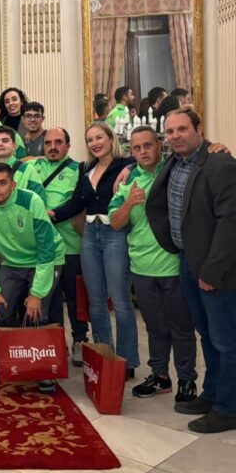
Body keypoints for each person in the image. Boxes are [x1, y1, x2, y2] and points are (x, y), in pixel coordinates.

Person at [147, 109, 236, 433]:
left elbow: (231, 223)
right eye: (170, 132)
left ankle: (229, 408)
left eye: (182, 129)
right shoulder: (175, 163)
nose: (175, 136)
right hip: (187, 260)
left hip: (218, 270)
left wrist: (211, 271)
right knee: (208, 336)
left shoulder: (220, 164)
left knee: (227, 341)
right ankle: (212, 394)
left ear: (199, 129)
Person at [109, 126, 197, 404]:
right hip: (142, 267)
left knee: (182, 327)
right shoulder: (127, 182)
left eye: (148, 146)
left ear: (159, 146)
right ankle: (160, 376)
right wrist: (130, 202)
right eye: (136, 148)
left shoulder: (175, 171)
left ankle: (187, 380)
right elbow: (115, 222)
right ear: (130, 151)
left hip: (173, 266)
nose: (143, 152)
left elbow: (197, 153)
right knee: (155, 327)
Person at [50, 122, 139, 376]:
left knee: (120, 300)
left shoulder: (125, 165)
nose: (95, 143)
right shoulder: (86, 169)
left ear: (111, 138)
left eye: (99, 137)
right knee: (96, 301)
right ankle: (104, 356)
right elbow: (76, 202)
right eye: (90, 140)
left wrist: (131, 166)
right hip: (89, 236)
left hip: (114, 234)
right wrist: (52, 214)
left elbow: (146, 163)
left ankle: (127, 361)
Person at [0, 163, 63, 393]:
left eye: (2, 183)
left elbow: (46, 250)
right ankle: (3, 361)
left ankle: (42, 369)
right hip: (12, 263)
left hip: (45, 259)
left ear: (13, 185)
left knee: (37, 313)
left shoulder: (31, 200)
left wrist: (36, 294)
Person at [33, 127, 88, 366]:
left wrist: (52, 215)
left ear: (68, 145)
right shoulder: (33, 168)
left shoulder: (79, 170)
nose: (52, 147)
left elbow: (79, 202)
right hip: (44, 250)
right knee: (51, 298)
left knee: (75, 298)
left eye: (58, 142)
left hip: (71, 246)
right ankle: (56, 341)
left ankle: (79, 340)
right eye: (48, 143)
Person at [0, 126, 46, 203]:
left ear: (14, 146)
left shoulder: (27, 169)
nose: (0, 144)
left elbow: (40, 201)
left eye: (5, 141)